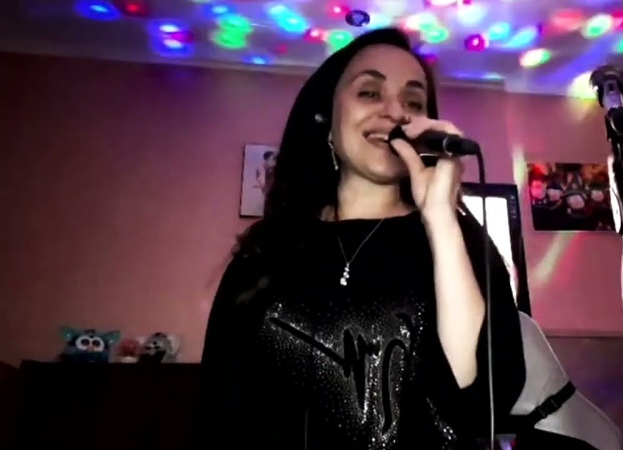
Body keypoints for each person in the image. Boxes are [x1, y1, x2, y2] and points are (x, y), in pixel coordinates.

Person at [192, 27, 526, 449]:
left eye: (413, 102)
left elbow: (479, 400)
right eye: (370, 93)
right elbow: (219, 408)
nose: (395, 112)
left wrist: (440, 218)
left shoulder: (460, 240)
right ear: (327, 120)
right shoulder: (269, 248)